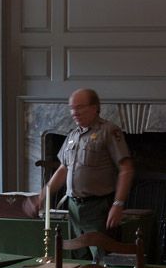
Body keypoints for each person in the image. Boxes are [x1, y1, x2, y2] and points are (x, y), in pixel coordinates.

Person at [24, 88, 134, 239]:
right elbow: (63, 170)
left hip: (98, 207)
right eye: (72, 108)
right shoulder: (72, 135)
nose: (74, 113)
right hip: (74, 208)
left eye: (79, 107)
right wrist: (41, 197)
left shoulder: (109, 131)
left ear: (94, 108)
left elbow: (126, 169)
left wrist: (118, 204)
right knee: (75, 252)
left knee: (101, 252)